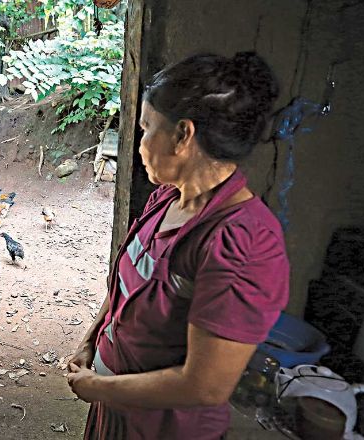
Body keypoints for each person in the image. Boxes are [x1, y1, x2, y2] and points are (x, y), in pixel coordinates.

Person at [66, 51, 289, 440]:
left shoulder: (245, 244)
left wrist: (98, 387)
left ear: (183, 135)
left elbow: (204, 385)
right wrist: (91, 341)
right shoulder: (167, 199)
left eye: (146, 128)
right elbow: (127, 286)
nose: (139, 144)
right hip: (117, 410)